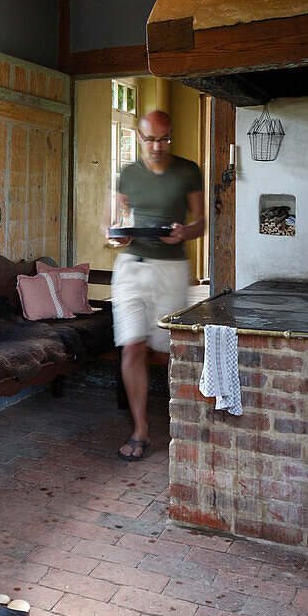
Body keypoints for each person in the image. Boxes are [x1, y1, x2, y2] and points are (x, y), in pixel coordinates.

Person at [106, 109, 205, 461]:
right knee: (132, 346)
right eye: (150, 140)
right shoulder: (127, 174)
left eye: (164, 139)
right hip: (131, 267)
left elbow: (201, 222)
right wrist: (115, 235)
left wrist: (185, 232)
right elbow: (115, 220)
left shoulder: (188, 170)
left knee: (166, 350)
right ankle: (141, 430)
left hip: (170, 269)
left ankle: (185, 421)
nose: (158, 146)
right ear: (138, 137)